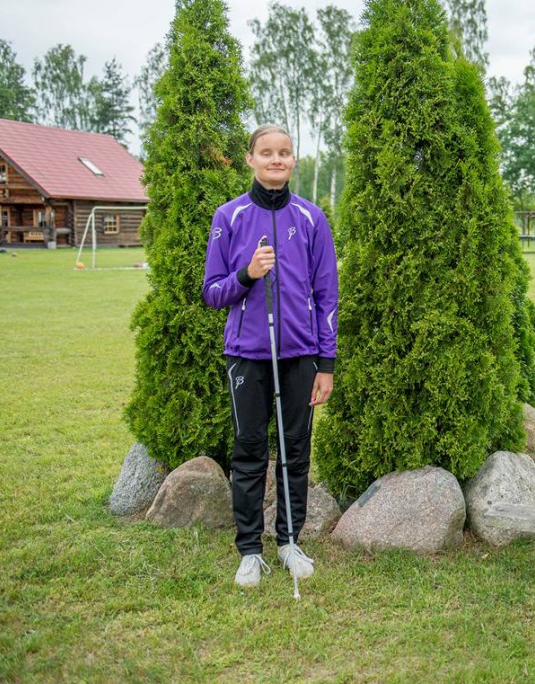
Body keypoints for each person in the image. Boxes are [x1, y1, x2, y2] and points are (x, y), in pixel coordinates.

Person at [202, 124, 338, 588]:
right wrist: (247, 274)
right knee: (250, 451)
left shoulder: (313, 218)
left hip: (300, 354)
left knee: (295, 451)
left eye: (283, 152)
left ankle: (288, 542)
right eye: (266, 153)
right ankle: (249, 550)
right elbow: (212, 292)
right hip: (247, 354)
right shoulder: (230, 216)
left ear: (293, 160)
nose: (276, 160)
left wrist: (327, 364)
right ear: (251, 160)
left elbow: (327, 295)